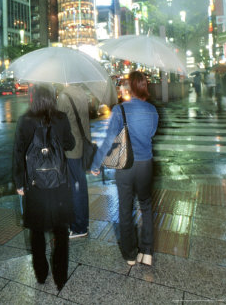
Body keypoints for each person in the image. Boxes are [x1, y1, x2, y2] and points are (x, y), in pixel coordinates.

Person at [91, 71, 159, 266]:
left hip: (126, 166)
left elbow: (108, 141)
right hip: (146, 164)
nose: (121, 87)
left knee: (125, 208)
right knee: (146, 207)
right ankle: (147, 252)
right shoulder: (152, 110)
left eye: (123, 84)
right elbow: (151, 133)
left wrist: (97, 164)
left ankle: (130, 254)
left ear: (129, 88)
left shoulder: (120, 110)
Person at [13, 84, 75, 290]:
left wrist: (19, 182)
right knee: (61, 230)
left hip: (34, 184)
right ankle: (60, 276)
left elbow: (18, 153)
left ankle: (41, 273)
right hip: (59, 184)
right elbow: (70, 144)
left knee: (37, 230)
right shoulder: (61, 118)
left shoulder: (25, 120)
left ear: (33, 98)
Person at [57, 85, 91, 239]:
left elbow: (58, 125)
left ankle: (79, 227)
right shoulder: (82, 93)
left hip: (71, 150)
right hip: (83, 146)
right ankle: (83, 221)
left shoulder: (64, 97)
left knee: (75, 188)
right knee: (81, 186)